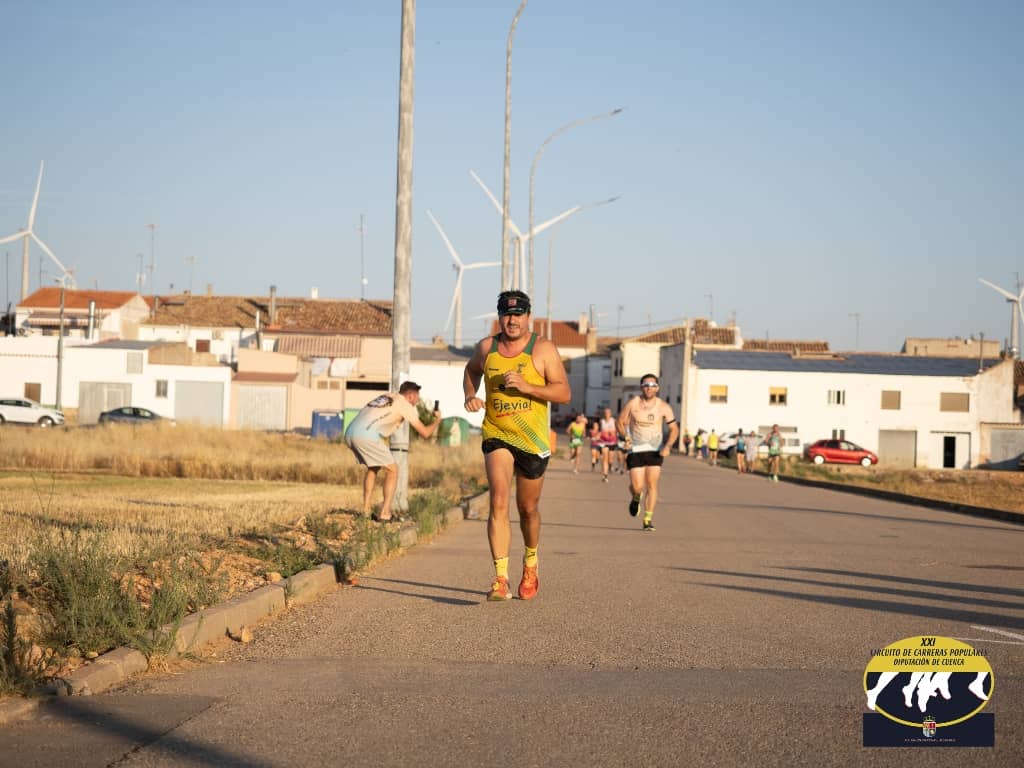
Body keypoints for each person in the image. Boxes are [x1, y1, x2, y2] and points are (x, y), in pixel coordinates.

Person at [464, 290, 570, 601]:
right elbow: (470, 371)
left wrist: (528, 386)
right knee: (498, 500)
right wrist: (470, 395)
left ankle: (531, 561)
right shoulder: (487, 347)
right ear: (499, 316)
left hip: (532, 440)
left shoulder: (543, 349)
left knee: (528, 509)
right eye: (507, 314)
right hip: (497, 433)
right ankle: (500, 579)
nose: (512, 320)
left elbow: (563, 393)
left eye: (518, 314)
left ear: (528, 317)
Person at [344, 381, 440, 522]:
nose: (418, 400)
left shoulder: (386, 396)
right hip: (366, 436)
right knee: (393, 470)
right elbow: (425, 433)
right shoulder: (404, 405)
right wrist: (438, 420)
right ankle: (385, 513)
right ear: (410, 395)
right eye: (417, 396)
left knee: (373, 467)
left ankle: (366, 511)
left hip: (350, 432)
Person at [617, 373, 679, 532]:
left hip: (655, 450)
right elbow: (620, 422)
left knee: (652, 484)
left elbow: (674, 428)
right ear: (641, 387)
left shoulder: (664, 407)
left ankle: (647, 519)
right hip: (635, 449)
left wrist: (668, 446)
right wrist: (625, 437)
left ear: (657, 388)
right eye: (646, 385)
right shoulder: (633, 403)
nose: (649, 388)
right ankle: (636, 496)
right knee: (637, 486)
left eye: (652, 385)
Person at [596, 407, 618, 481]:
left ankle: (610, 466)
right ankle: (605, 475)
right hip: (603, 442)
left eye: (608, 413)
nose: (606, 414)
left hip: (612, 442)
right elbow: (599, 431)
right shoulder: (601, 421)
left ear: (610, 414)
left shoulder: (614, 421)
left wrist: (613, 433)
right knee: (605, 458)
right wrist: (598, 436)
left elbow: (617, 429)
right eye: (605, 413)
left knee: (610, 459)